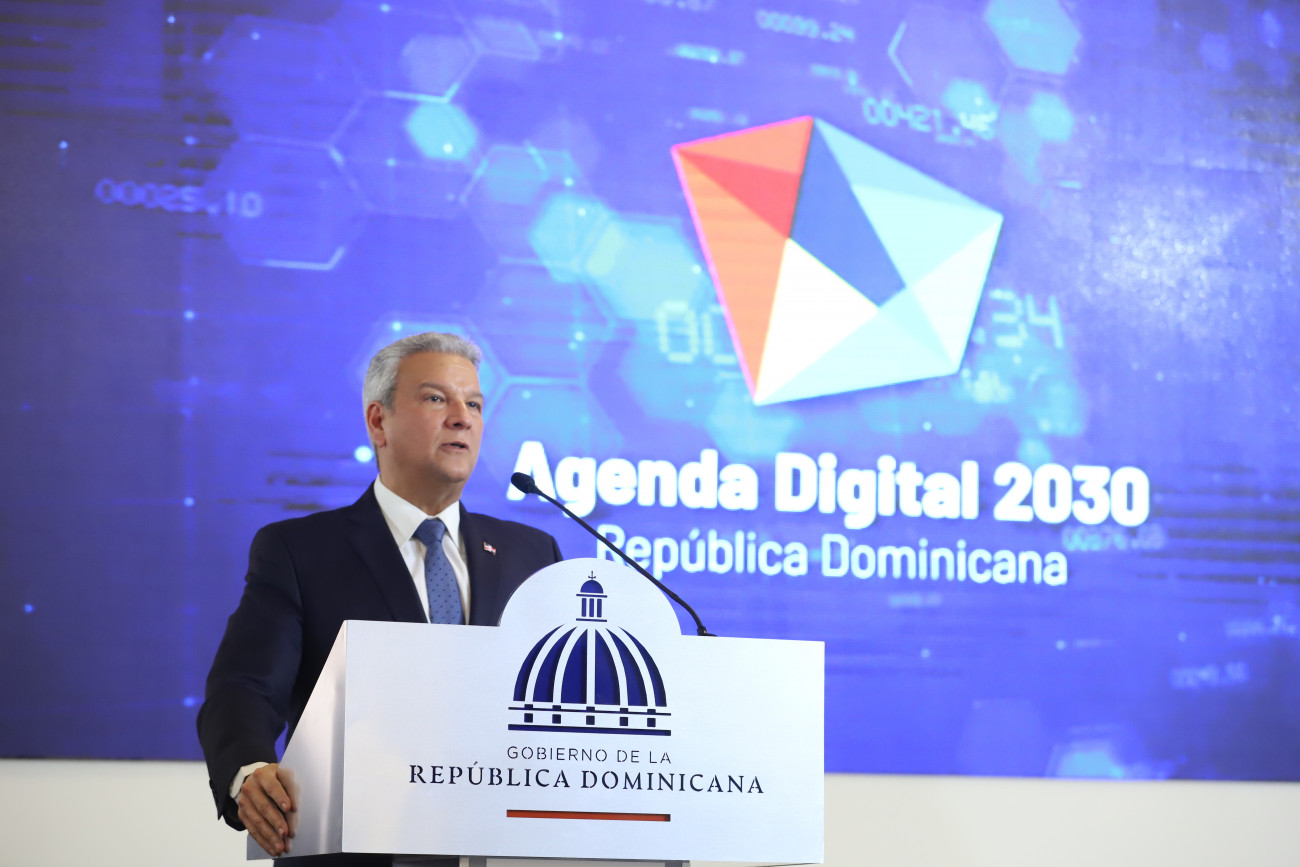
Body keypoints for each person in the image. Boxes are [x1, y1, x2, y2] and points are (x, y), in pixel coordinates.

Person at [197, 332, 562, 864]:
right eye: (436, 398)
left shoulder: (532, 554)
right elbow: (245, 686)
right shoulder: (300, 552)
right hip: (356, 846)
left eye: (474, 404)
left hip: (498, 847)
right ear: (378, 422)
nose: (462, 418)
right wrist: (250, 771)